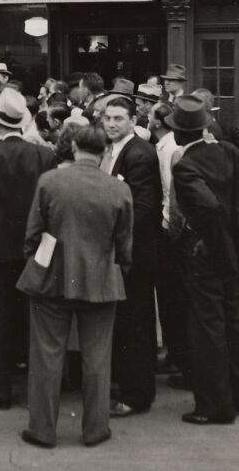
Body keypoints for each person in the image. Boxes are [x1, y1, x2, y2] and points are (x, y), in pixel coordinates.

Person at [18, 124, 133, 448]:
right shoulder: (118, 189)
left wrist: (35, 259)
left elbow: (32, 233)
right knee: (97, 358)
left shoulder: (50, 181)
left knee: (46, 355)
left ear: (74, 148)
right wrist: (118, 266)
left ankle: (42, 429)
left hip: (52, 276)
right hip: (99, 279)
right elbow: (125, 245)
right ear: (105, 151)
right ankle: (96, 429)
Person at [168, 96, 239, 425]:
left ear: (181, 134)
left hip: (207, 252)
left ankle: (215, 406)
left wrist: (209, 236)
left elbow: (208, 206)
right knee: (233, 322)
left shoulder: (185, 165)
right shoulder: (228, 151)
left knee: (207, 328)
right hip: (233, 250)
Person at [0, 88, 56, 410]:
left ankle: (3, 389)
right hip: (37, 250)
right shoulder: (44, 155)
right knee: (36, 318)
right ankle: (38, 387)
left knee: (1, 317)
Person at [101, 96, 162, 417]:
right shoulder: (112, 149)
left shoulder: (138, 154)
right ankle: (129, 383)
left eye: (118, 118)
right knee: (127, 322)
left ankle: (136, 395)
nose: (111, 123)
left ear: (131, 120)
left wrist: (119, 244)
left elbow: (144, 209)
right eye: (107, 118)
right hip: (123, 251)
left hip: (134, 253)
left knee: (134, 323)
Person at [148, 101, 188, 379]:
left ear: (159, 122)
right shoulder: (163, 147)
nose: (147, 119)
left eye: (150, 116)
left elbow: (172, 194)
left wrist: (167, 227)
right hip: (167, 228)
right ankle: (174, 353)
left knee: (173, 298)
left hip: (170, 231)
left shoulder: (170, 150)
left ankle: (178, 357)